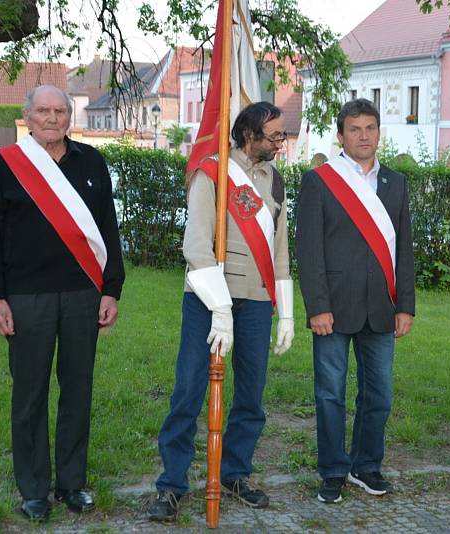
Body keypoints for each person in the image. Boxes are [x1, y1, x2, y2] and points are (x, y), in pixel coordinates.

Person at [0, 85, 125, 521]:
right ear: (28, 115)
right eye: (43, 110)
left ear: (69, 116)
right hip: (26, 297)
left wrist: (111, 288)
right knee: (30, 394)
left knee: (77, 390)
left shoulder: (91, 162)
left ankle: (72, 484)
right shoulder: (5, 166)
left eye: (60, 110)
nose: (52, 118)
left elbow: (108, 232)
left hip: (83, 295)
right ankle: (34, 489)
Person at [149, 102, 294, 521]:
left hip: (256, 301)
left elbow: (279, 250)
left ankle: (234, 473)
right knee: (189, 392)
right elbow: (196, 246)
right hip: (207, 300)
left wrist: (285, 313)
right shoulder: (210, 172)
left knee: (251, 394)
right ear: (248, 133)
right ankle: (172, 484)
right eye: (274, 136)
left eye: (281, 136)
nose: (280, 143)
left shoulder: (275, 180)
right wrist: (221, 308)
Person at [296, 98, 415, 504]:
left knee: (378, 394)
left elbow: (405, 251)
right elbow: (308, 250)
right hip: (334, 306)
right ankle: (332, 470)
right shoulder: (321, 181)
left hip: (382, 305)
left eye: (370, 128)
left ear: (379, 132)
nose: (364, 136)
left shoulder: (396, 183)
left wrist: (406, 305)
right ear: (341, 135)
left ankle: (367, 466)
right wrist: (316, 306)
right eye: (355, 129)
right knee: (330, 393)